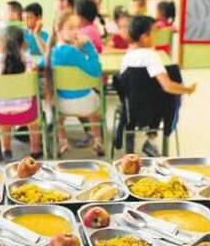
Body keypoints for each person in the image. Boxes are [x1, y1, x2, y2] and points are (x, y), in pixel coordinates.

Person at [120, 16, 196, 156]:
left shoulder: (127, 56)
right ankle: (151, 139)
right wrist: (187, 90)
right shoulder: (152, 56)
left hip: (130, 109)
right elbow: (168, 86)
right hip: (153, 110)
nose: (157, 36)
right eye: (155, 32)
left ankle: (138, 142)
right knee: (172, 96)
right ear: (145, 37)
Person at [49, 11, 104, 156]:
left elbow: (41, 63)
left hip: (61, 105)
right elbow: (95, 71)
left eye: (77, 28)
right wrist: (89, 47)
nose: (76, 32)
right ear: (58, 29)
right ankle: (97, 140)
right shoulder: (73, 53)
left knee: (58, 115)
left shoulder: (52, 52)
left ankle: (63, 142)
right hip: (85, 105)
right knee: (95, 105)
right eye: (71, 28)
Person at [0, 26, 43, 160]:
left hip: (1, 114)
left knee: (2, 103)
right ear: (23, 42)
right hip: (27, 112)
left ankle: (6, 149)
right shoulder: (29, 59)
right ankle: (35, 148)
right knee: (33, 101)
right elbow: (35, 75)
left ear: (0, 43)